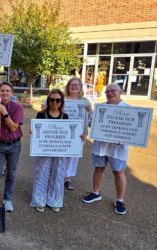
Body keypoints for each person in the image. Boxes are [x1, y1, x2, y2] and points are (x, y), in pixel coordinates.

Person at [82, 84, 129, 215]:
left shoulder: (129, 110)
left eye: (113, 90)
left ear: (120, 92)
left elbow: (133, 132)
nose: (110, 93)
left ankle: (119, 200)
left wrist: (124, 138)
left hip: (117, 148)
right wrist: (90, 112)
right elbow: (92, 124)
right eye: (107, 91)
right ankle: (96, 193)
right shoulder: (101, 107)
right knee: (98, 169)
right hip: (100, 146)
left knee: (119, 173)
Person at [0, 82, 24, 212]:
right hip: (0, 145)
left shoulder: (18, 107)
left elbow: (14, 127)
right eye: (2, 91)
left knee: (11, 174)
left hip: (14, 145)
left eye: (8, 91)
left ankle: (7, 199)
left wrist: (5, 113)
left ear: (12, 93)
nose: (5, 93)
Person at [30, 89, 68, 213]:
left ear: (61, 102)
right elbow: (37, 131)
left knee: (57, 175)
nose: (54, 102)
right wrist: (33, 132)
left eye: (58, 100)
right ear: (48, 101)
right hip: (43, 150)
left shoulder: (65, 116)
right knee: (42, 174)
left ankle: (54, 200)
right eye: (52, 100)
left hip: (59, 151)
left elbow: (67, 134)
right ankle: (40, 199)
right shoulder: (41, 114)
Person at [63, 77, 91, 190]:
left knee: (73, 157)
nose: (74, 87)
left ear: (80, 87)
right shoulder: (62, 99)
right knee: (62, 155)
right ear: (68, 87)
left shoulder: (84, 101)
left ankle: (68, 179)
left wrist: (90, 111)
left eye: (76, 85)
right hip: (63, 132)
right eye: (72, 85)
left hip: (79, 134)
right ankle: (59, 177)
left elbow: (88, 119)